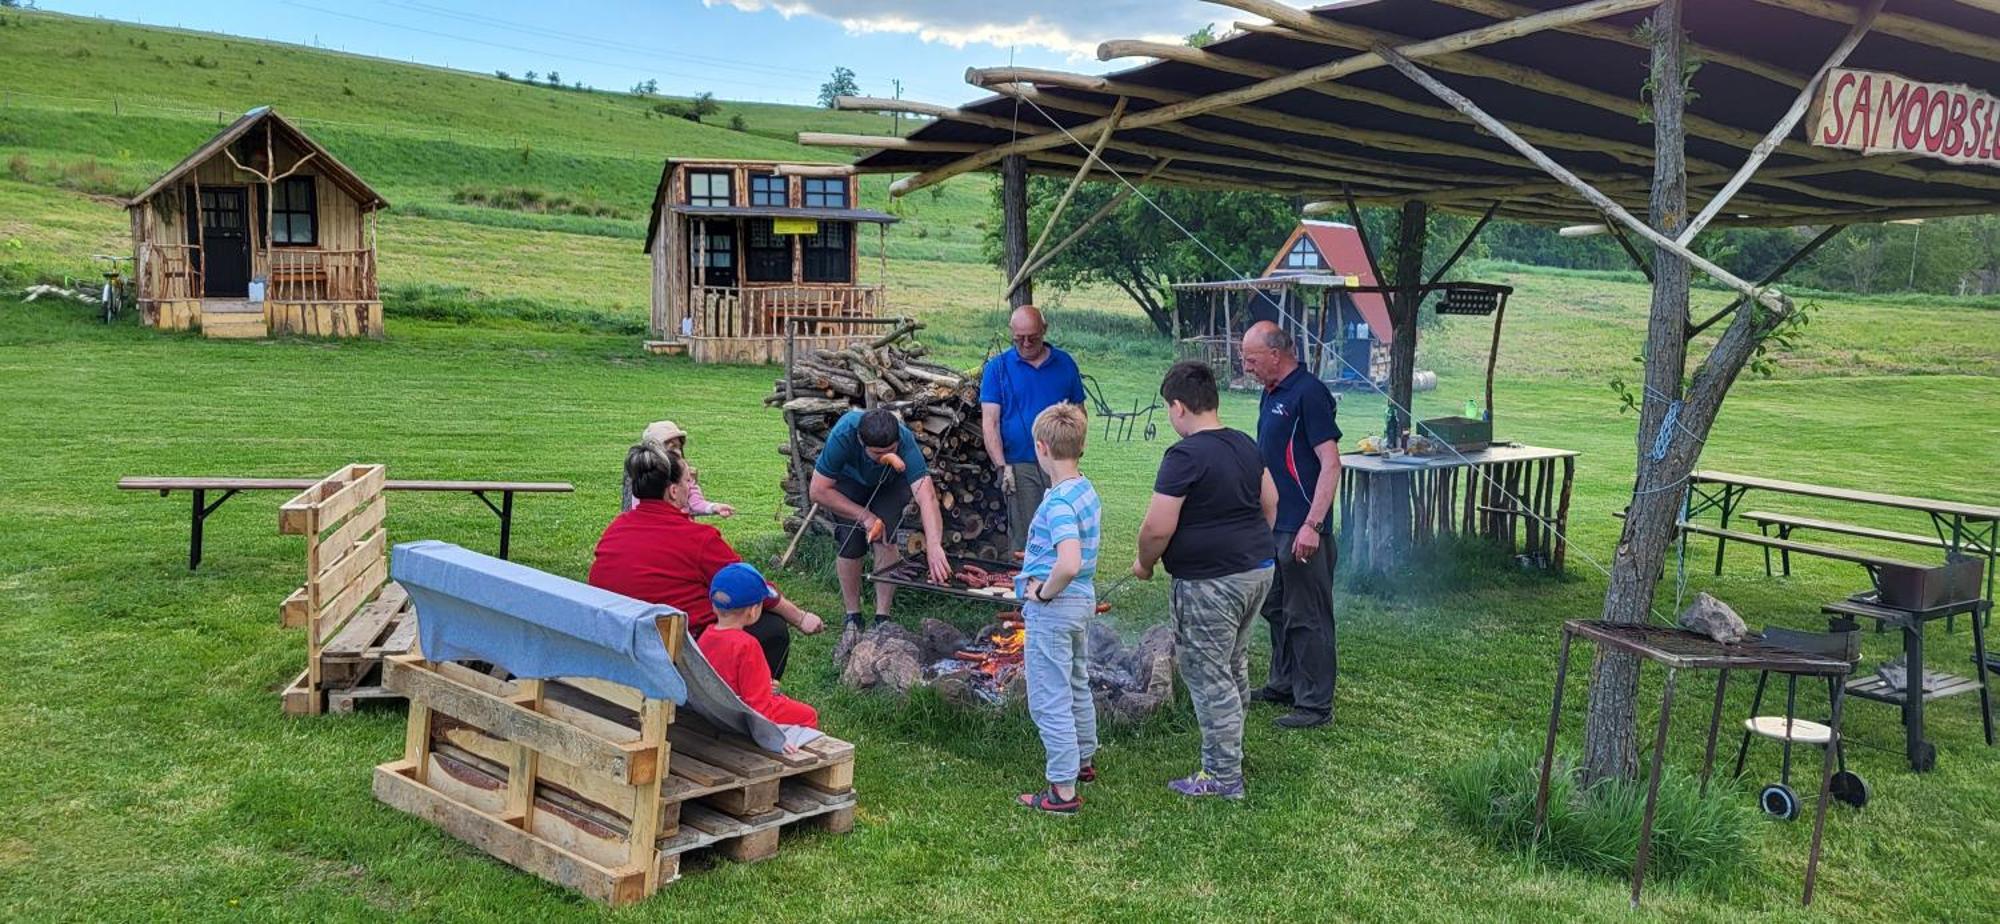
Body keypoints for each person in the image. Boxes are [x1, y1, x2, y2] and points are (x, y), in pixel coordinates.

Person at [1133, 361, 1276, 800]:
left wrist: (1144, 563)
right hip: (1258, 571)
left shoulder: (1185, 455)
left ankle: (1223, 778)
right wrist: (1250, 547)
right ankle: (1229, 751)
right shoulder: (1244, 444)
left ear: (1178, 407)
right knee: (1232, 664)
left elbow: (1157, 528)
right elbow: (1270, 502)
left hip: (1210, 583)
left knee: (1207, 673)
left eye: (1167, 409)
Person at [590, 446, 823, 678]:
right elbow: (750, 585)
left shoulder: (615, 529)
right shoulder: (698, 539)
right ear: (673, 491)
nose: (689, 487)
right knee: (771, 628)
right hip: (673, 659)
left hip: (620, 644)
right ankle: (751, 703)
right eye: (687, 482)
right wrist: (800, 617)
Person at [1239, 321, 1343, 730]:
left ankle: (1315, 705)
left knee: (1309, 614)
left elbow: (1330, 464)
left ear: (1276, 354)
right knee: (1277, 608)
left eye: (1250, 358)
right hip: (1274, 524)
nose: (1245, 366)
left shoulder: (1309, 393)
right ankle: (1283, 683)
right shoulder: (1273, 393)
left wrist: (1313, 525)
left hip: (1302, 525)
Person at [1014, 403, 1101, 815]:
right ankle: (1083, 760)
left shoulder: (1057, 504)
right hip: (1082, 603)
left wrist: (1044, 593)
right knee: (1077, 683)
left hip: (1058, 605)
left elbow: (1068, 561)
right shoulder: (1084, 489)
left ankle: (1062, 790)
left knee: (1049, 698)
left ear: (1041, 447)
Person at [806, 408, 952, 630]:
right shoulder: (844, 434)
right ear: (860, 442)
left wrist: (933, 545)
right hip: (849, 483)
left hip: (890, 485)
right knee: (851, 543)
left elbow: (927, 496)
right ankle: (852, 615)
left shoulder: (904, 439)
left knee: (886, 537)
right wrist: (864, 516)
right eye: (877, 453)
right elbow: (817, 491)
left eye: (890, 450)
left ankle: (882, 617)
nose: (885, 456)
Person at [980, 305, 1087, 556]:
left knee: (1063, 527)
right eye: (1019, 339)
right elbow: (990, 422)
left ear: (1044, 330)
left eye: (1033, 338)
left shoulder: (1065, 363)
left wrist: (1075, 453)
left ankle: (1059, 581)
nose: (1026, 343)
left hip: (1061, 462)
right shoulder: (997, 368)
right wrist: (1001, 466)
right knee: (1027, 535)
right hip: (1019, 464)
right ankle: (1025, 590)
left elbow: (1079, 413)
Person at [699, 562, 819, 731]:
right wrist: (776, 739)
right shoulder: (748, 645)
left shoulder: (706, 635)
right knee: (808, 714)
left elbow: (723, 678)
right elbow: (759, 707)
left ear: (714, 605)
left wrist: (764, 685)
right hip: (743, 718)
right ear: (753, 611)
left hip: (719, 708)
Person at [620, 420, 734, 517]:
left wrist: (714, 507)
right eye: (672, 447)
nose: (678, 451)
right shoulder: (644, 478)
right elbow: (637, 509)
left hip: (680, 529)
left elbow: (695, 502)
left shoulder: (684, 474)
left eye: (679, 447)